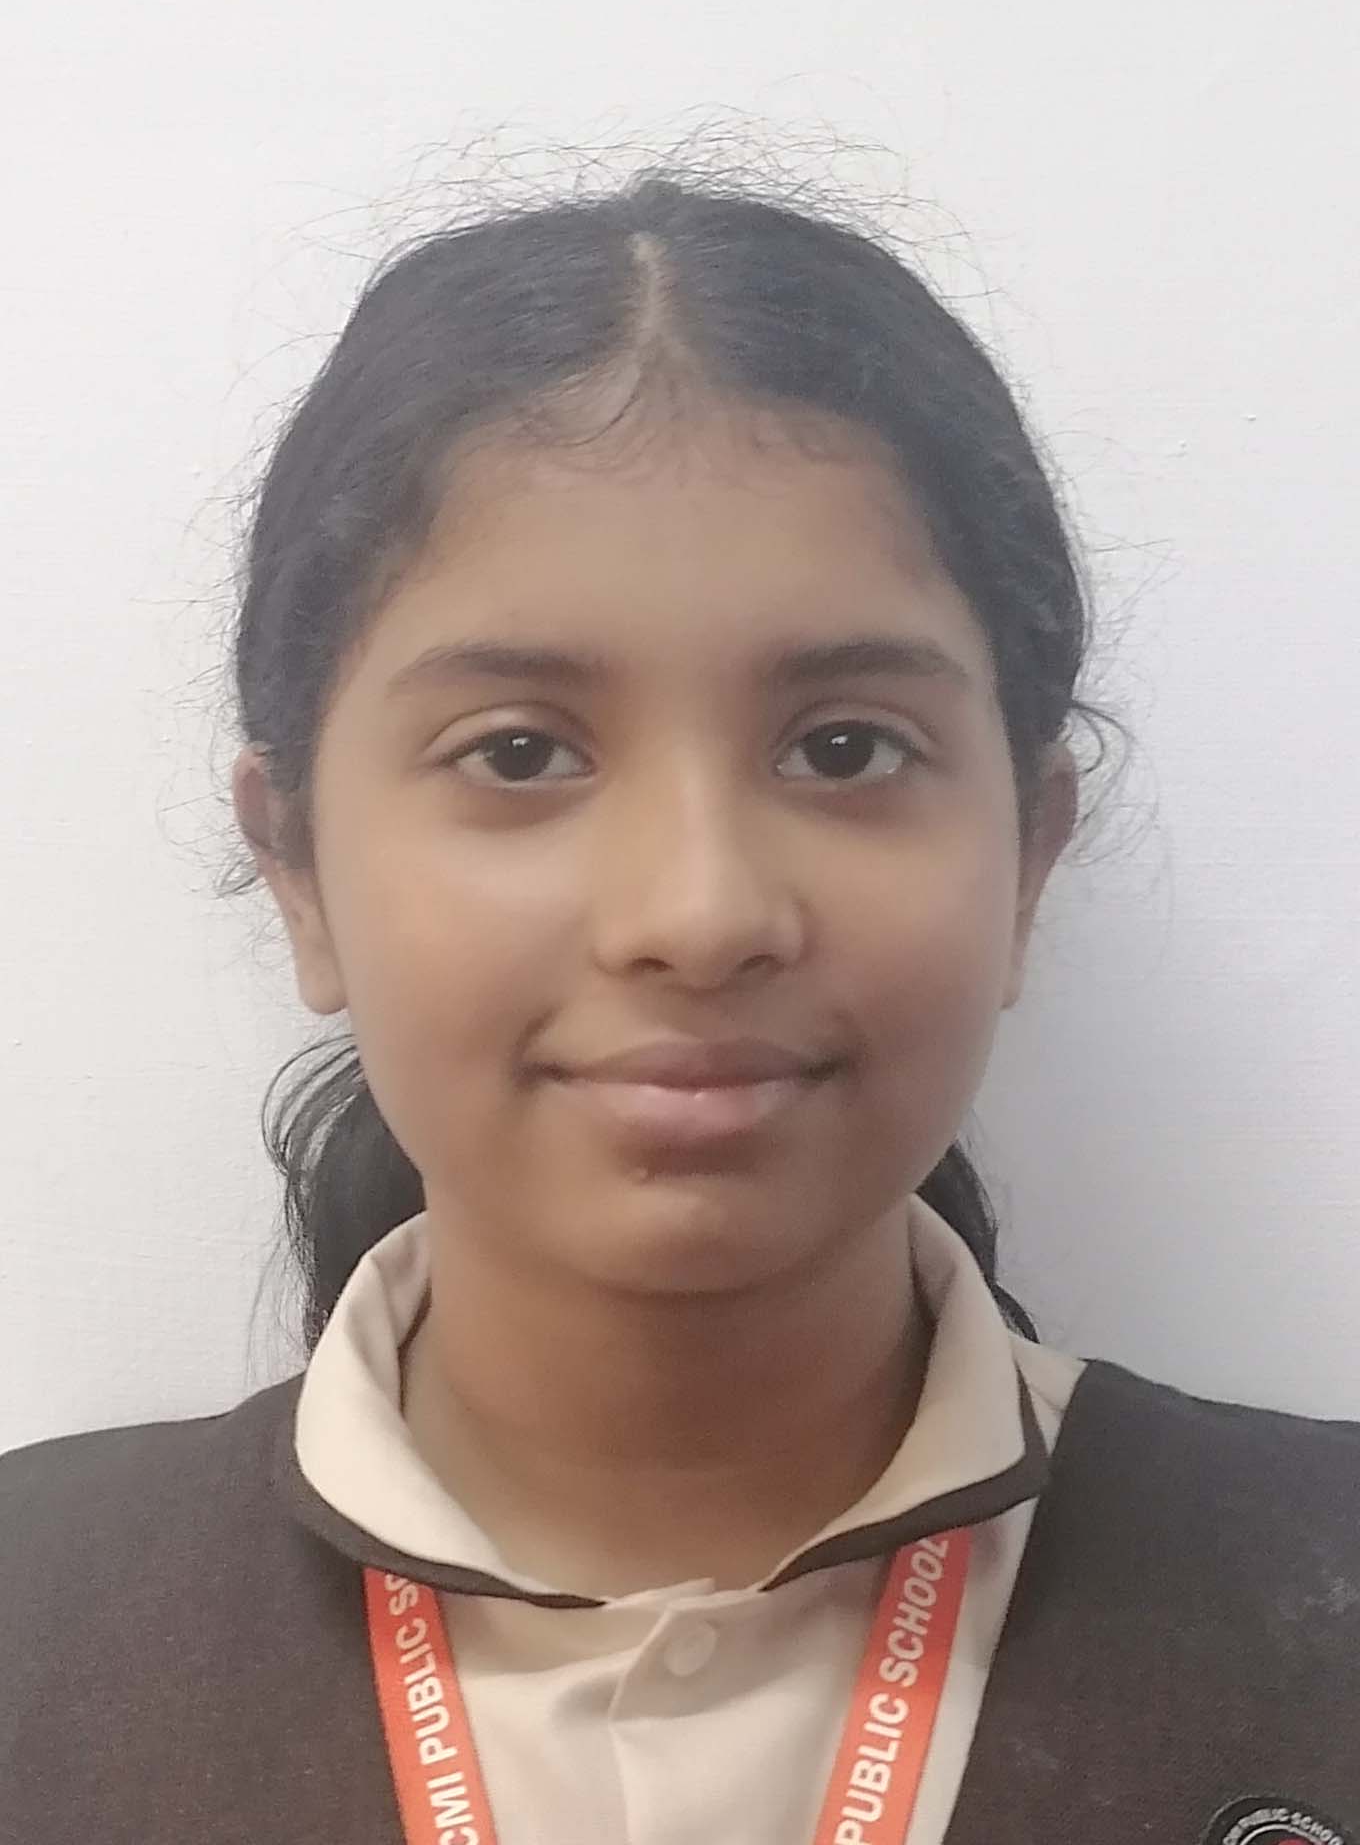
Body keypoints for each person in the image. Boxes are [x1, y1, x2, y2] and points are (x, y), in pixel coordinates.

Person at [2, 167, 1356, 1845]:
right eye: (519, 753)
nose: (701, 915)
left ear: (1027, 857)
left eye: (845, 747)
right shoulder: (36, 1628)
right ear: (299, 871)